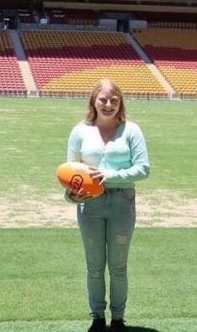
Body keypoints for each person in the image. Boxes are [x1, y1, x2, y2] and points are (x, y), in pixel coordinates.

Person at [65, 79, 150, 332]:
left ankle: (119, 319)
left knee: (118, 266)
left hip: (122, 203)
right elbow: (70, 174)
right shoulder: (80, 131)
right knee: (94, 266)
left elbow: (143, 168)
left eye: (114, 99)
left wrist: (108, 176)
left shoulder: (131, 130)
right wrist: (71, 197)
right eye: (103, 99)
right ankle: (97, 318)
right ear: (93, 101)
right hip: (89, 206)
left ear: (120, 102)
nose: (108, 104)